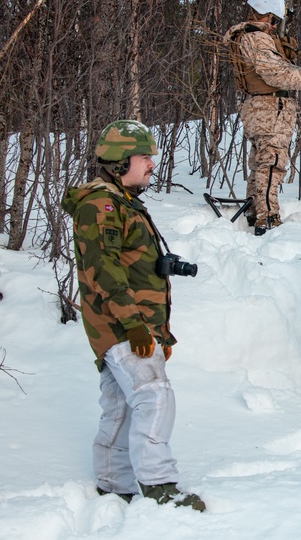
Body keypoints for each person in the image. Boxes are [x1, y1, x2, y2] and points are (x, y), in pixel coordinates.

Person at [61, 120, 206, 511]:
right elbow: (103, 268)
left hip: (132, 323)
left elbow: (131, 263)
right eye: (145, 158)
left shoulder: (122, 201)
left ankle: (114, 483)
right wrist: (134, 325)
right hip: (122, 323)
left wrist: (160, 332)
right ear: (120, 162)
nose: (152, 166)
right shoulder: (100, 204)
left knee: (122, 404)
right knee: (154, 397)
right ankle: (159, 485)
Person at [224, 0, 301, 235]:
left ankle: (255, 210)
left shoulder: (247, 37)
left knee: (261, 161)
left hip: (261, 108)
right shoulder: (256, 38)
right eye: (275, 20)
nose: (276, 26)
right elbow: (276, 73)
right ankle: (267, 217)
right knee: (272, 162)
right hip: (270, 109)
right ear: (267, 15)